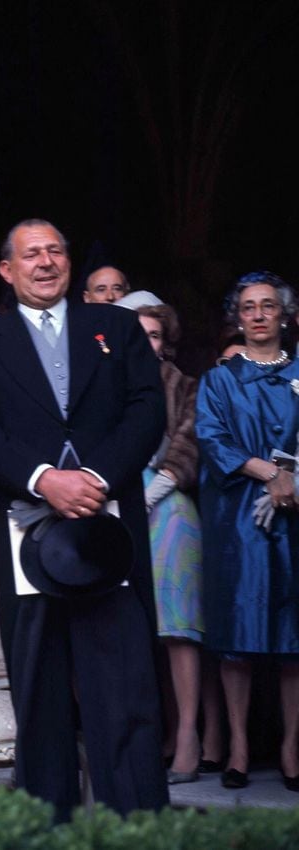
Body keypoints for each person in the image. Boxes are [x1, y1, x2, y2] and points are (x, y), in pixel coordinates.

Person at [0, 219, 168, 820]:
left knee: (124, 684)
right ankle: (50, 826)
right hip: (26, 529)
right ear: (6, 269)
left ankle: (137, 824)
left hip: (108, 525)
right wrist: (46, 479)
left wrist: (94, 480)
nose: (46, 262)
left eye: (55, 251)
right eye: (31, 254)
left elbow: (147, 411)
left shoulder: (117, 327)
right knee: (41, 688)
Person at [195, 271, 299, 791]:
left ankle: (290, 748)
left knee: (293, 638)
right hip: (236, 518)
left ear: (285, 314)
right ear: (238, 317)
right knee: (237, 635)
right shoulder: (219, 380)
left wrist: (294, 481)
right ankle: (237, 744)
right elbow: (212, 439)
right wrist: (269, 474)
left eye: (268, 306)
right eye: (249, 308)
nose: (258, 315)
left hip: (295, 516)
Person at [117, 291, 221, 783]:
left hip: (169, 507)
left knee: (178, 627)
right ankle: (149, 733)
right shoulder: (108, 388)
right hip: (116, 509)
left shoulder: (185, 385)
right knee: (133, 628)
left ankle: (188, 738)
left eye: (155, 334)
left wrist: (157, 489)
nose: (147, 342)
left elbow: (190, 441)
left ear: (166, 341)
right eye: (138, 334)